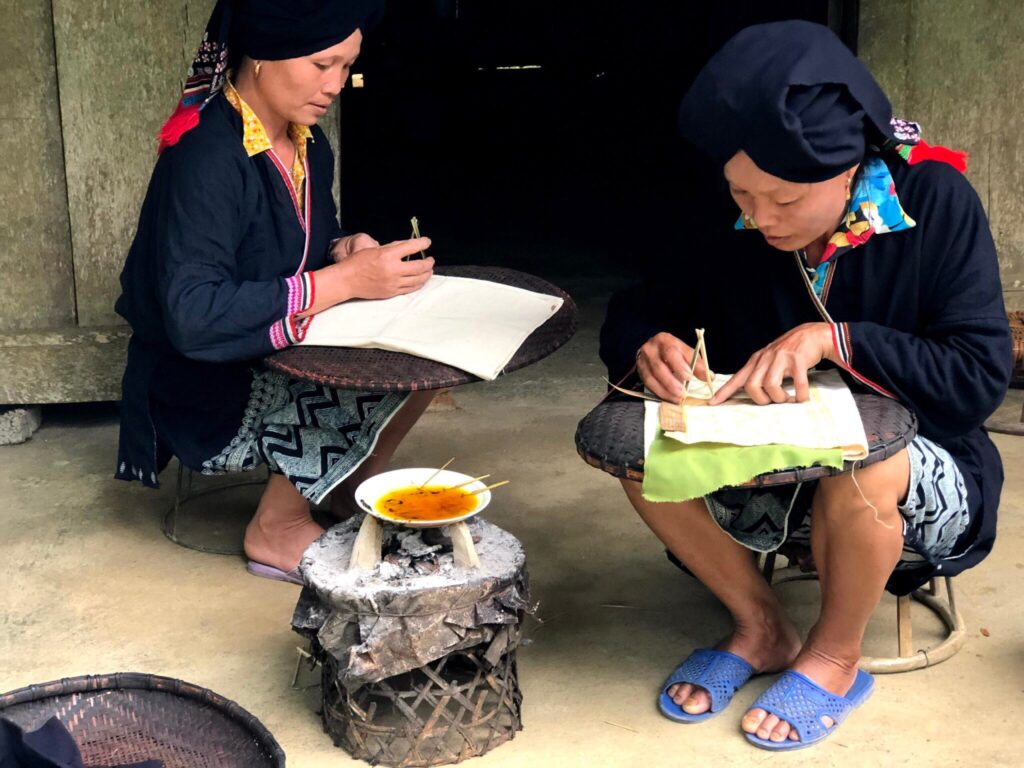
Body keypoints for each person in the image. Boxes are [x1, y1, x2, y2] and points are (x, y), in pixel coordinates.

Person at [599, 21, 1012, 750]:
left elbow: (977, 378)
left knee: (866, 461)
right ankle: (761, 628)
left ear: (848, 170)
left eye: (784, 202)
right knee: (636, 446)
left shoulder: (936, 202)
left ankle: (833, 656)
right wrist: (647, 347)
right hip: (768, 467)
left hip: (915, 473)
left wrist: (837, 338)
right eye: (742, 194)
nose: (757, 217)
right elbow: (640, 307)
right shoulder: (731, 207)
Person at [115, 0, 436, 584]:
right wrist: (341, 283)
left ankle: (338, 491)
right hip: (203, 389)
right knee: (372, 367)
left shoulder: (308, 144)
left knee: (425, 352)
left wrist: (346, 250)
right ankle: (278, 527)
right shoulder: (206, 155)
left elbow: (304, 247)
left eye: (347, 66)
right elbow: (193, 314)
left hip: (262, 354)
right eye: (322, 64)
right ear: (261, 54)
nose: (336, 84)